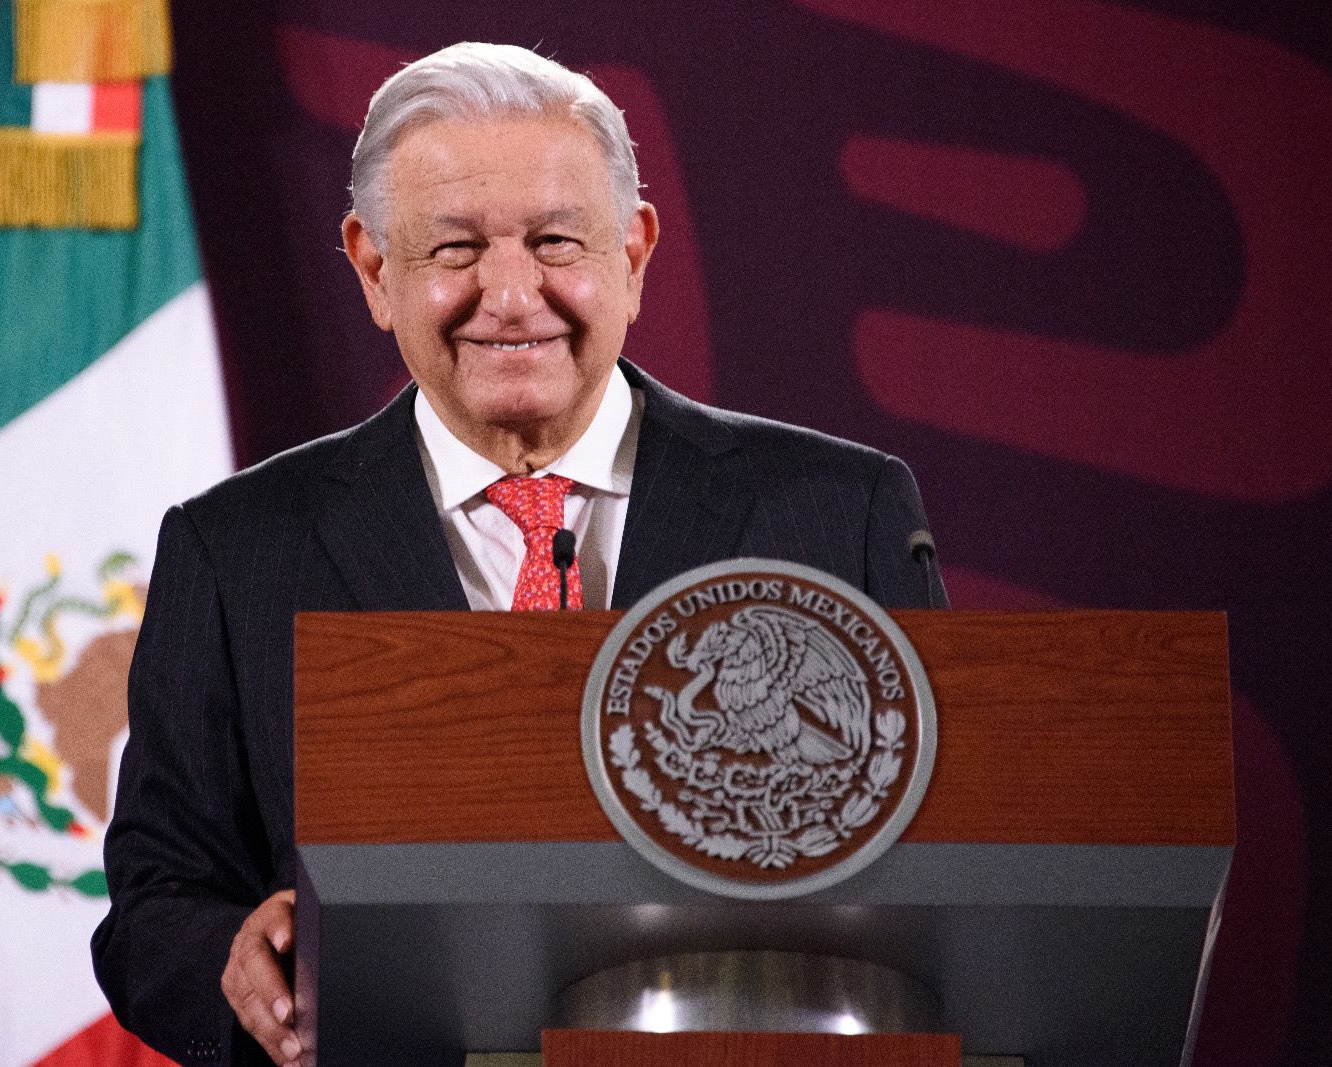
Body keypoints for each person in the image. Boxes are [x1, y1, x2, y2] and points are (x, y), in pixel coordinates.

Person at [92, 41, 947, 1067]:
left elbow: (944, 859)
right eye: (454, 249)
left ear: (632, 255)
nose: (509, 294)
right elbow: (155, 904)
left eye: (554, 241)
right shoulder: (236, 549)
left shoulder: (841, 514)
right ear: (374, 269)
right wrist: (235, 962)